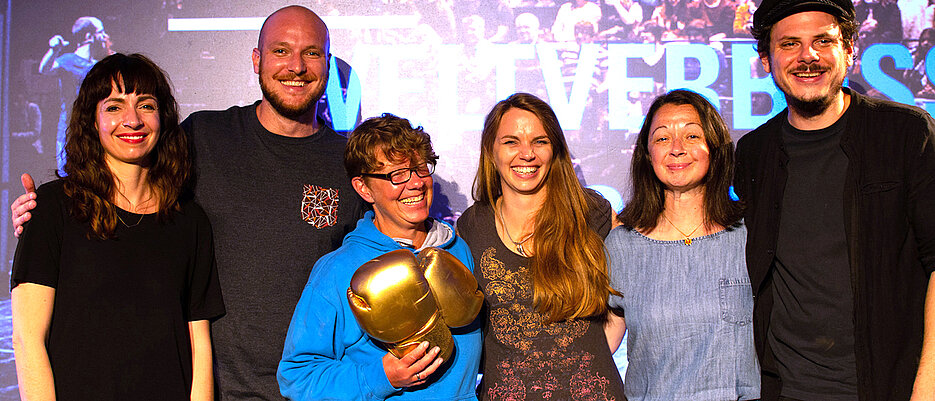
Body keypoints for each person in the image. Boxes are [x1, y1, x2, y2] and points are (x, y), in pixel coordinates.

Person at [12, 6, 365, 400]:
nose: (296, 66)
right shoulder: (204, 137)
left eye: (312, 53)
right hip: (220, 389)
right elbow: (128, 167)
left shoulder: (352, 163)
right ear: (256, 60)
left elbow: (388, 245)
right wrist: (41, 207)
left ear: (327, 62)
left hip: (316, 390)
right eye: (281, 50)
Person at [737, 0, 935, 398]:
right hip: (783, 390)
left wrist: (927, 386)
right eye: (789, 44)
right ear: (765, 61)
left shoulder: (906, 134)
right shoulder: (754, 152)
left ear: (849, 51)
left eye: (822, 41)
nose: (807, 56)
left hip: (889, 386)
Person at [10, 53, 225, 400]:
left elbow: (199, 344)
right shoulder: (52, 208)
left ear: (163, 118)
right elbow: (27, 339)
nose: (132, 120)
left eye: (146, 105)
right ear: (92, 121)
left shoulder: (189, 221)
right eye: (113, 107)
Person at [277, 113, 482, 400]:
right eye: (397, 174)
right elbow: (297, 377)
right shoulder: (337, 271)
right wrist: (381, 377)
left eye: (421, 168)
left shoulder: (458, 249)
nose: (415, 183)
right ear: (364, 188)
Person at [456, 92, 625, 400]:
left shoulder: (591, 212)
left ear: (555, 150)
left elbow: (629, 290)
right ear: (491, 151)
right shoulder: (473, 224)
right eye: (511, 142)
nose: (527, 154)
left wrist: (598, 349)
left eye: (540, 141)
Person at [603, 89, 759, 400]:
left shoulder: (749, 234)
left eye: (691, 136)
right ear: (647, 154)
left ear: (714, 148)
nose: (676, 149)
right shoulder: (621, 246)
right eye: (662, 138)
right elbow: (599, 345)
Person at [39, 16, 114, 172]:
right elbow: (44, 69)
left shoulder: (98, 65)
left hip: (96, 131)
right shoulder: (67, 60)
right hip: (70, 130)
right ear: (89, 36)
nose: (104, 35)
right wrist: (54, 50)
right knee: (69, 175)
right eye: (101, 32)